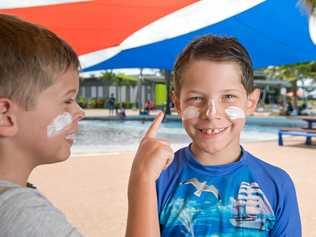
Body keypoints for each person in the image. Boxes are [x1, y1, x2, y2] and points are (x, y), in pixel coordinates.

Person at [126, 36, 301, 236]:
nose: (211, 113)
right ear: (177, 104)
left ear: (251, 102)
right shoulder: (157, 177)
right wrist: (141, 177)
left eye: (228, 97)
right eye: (197, 98)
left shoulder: (277, 184)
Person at [0, 14, 85, 236]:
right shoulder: (20, 214)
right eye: (67, 100)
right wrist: (142, 182)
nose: (79, 112)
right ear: (5, 117)